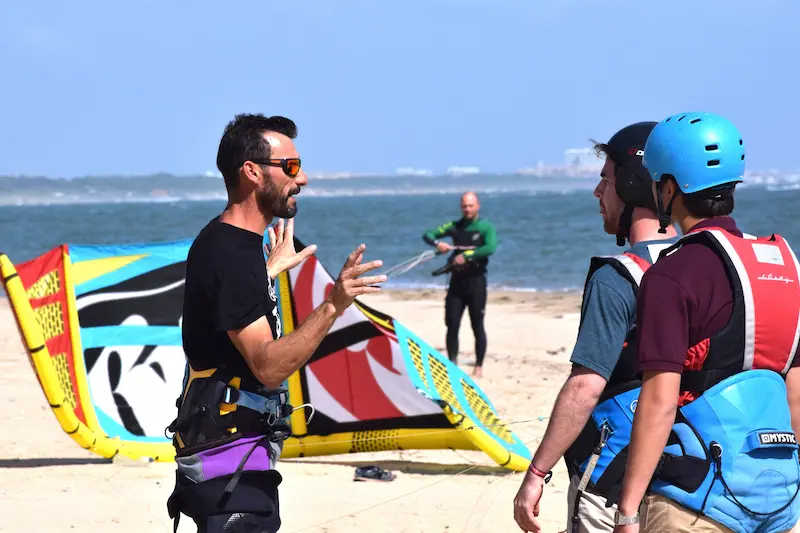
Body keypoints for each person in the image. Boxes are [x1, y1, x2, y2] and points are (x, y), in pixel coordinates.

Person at [165, 113, 386, 533]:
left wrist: (264, 274)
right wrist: (333, 305)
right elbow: (267, 365)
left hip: (235, 461)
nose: (301, 179)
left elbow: (223, 318)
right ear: (251, 172)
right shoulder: (230, 254)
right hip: (227, 469)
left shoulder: (234, 246)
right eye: (290, 167)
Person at [613, 111, 800, 533]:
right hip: (777, 496)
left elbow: (659, 403)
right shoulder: (785, 265)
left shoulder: (670, 273)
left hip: (694, 501)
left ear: (669, 188)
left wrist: (627, 512)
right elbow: (796, 394)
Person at [512, 122, 679, 533]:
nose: (597, 192)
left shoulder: (618, 277)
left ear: (633, 183)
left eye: (606, 179)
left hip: (613, 480)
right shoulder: (712, 265)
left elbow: (585, 387)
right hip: (693, 480)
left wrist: (537, 473)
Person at [422, 191, 497, 377]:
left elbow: (490, 247)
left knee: (477, 323)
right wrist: (439, 244)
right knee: (452, 322)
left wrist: (467, 255)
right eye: (464, 206)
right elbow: (429, 234)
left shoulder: (485, 227)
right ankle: (452, 364)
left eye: (470, 206)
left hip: (476, 282)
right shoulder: (455, 226)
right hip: (457, 282)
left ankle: (478, 366)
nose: (467, 209)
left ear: (478, 206)